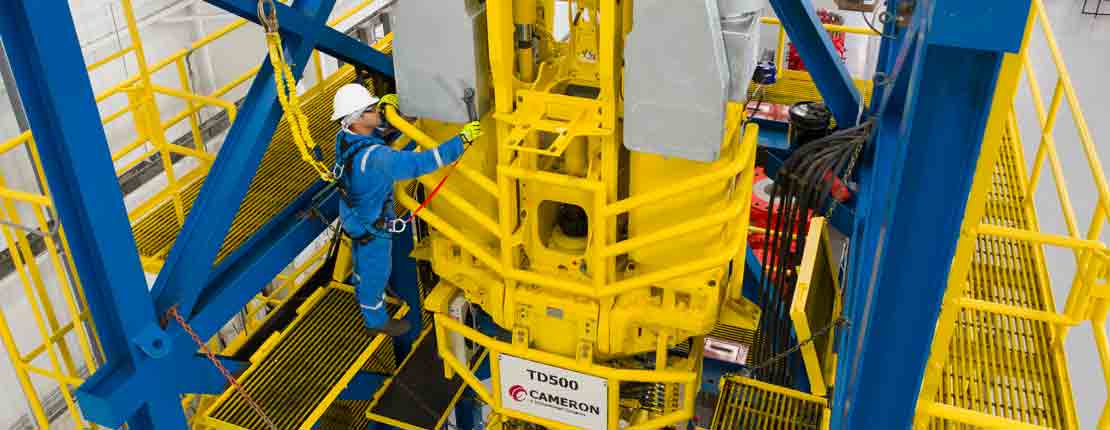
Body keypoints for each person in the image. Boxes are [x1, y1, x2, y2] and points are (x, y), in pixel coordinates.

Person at [330, 83, 482, 336]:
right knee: (377, 271)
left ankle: (362, 286)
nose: (377, 110)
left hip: (354, 216)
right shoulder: (376, 158)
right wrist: (461, 140)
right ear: (356, 119)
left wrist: (391, 117)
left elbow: (372, 138)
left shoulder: (345, 138)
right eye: (371, 109)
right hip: (373, 225)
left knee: (362, 264)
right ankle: (375, 318)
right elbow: (420, 163)